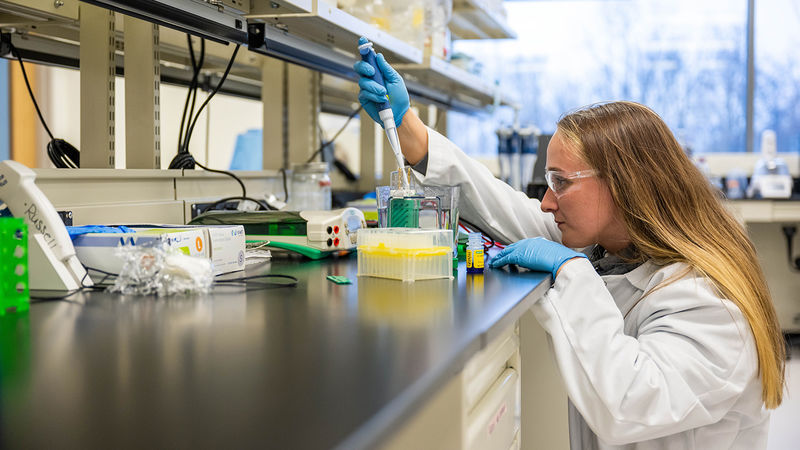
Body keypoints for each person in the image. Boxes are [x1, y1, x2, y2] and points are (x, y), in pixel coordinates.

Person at [354, 52, 785, 449]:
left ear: (624, 184)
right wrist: (410, 129)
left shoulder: (709, 302)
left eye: (561, 182)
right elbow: (504, 208)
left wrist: (572, 271)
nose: (546, 200)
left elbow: (627, 405)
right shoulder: (618, 246)